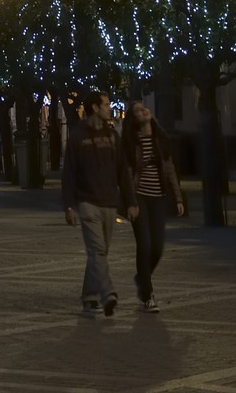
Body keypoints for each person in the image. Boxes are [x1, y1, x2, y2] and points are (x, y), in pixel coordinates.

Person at [61, 92, 137, 317]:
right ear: (95, 108)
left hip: (109, 202)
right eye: (106, 105)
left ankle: (89, 296)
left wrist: (130, 201)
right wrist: (69, 206)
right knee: (97, 250)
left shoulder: (113, 136)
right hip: (87, 203)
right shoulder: (77, 137)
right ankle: (107, 294)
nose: (109, 108)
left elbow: (123, 171)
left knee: (98, 254)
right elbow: (69, 174)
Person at [121, 100, 184, 313]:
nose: (143, 111)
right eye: (137, 111)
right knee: (144, 245)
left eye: (143, 108)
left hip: (158, 198)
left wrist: (178, 197)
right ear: (134, 120)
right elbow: (127, 175)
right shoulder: (131, 142)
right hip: (140, 198)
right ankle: (148, 295)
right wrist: (129, 202)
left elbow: (169, 169)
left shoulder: (160, 138)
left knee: (157, 247)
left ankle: (142, 277)